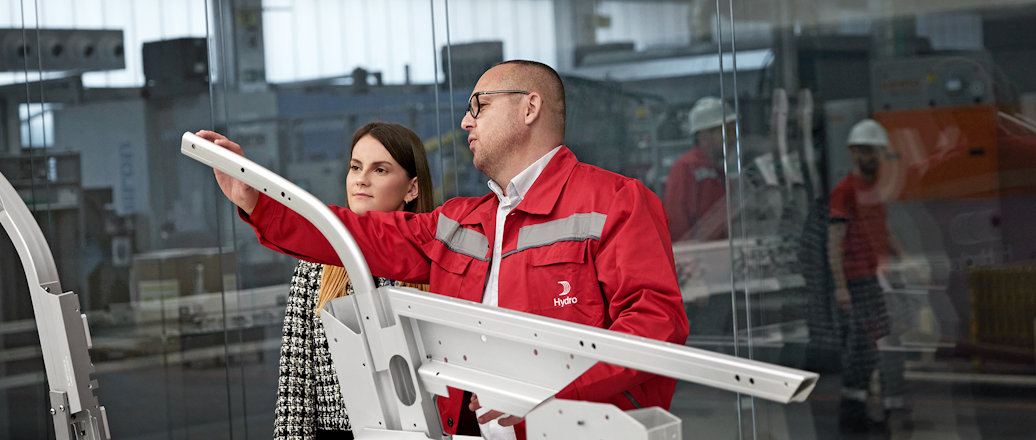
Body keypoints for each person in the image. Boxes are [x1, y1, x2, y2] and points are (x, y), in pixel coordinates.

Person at [198, 60, 688, 440]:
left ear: (529, 108)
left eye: (479, 105)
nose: (465, 120)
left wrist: (548, 393)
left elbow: (654, 329)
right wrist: (256, 198)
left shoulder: (616, 202)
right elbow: (355, 236)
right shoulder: (459, 220)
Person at [272, 122, 434, 440]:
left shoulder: (439, 266)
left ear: (412, 188)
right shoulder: (315, 267)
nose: (361, 179)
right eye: (356, 167)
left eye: (380, 170)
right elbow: (294, 388)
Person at [827, 119, 906, 433]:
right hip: (857, 282)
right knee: (861, 350)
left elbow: (883, 230)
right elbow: (834, 241)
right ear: (855, 153)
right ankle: (852, 419)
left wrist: (905, 261)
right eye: (871, 152)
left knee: (876, 344)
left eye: (879, 152)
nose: (877, 158)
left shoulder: (872, 189)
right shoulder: (845, 191)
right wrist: (841, 287)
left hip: (874, 280)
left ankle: (870, 409)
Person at [663, 96, 736, 242]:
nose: (732, 138)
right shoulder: (685, 168)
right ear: (704, 135)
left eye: (732, 131)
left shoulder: (718, 171)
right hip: (699, 257)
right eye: (726, 132)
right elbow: (676, 222)